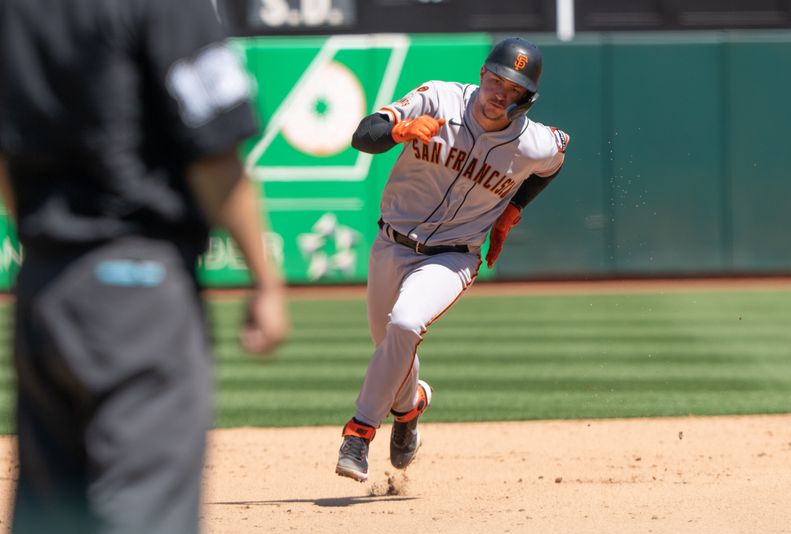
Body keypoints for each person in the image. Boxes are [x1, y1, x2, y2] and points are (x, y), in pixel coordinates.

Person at [0, 0, 289, 532]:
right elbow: (215, 152)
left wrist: (47, 251)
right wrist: (265, 281)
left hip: (43, 289)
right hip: (137, 289)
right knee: (144, 511)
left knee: (51, 514)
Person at [335, 37, 569, 482]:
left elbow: (556, 160)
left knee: (404, 325)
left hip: (454, 257)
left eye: (513, 88)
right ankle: (409, 408)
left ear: (526, 98)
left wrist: (509, 214)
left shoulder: (533, 142)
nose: (500, 93)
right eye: (496, 79)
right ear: (482, 73)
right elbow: (363, 135)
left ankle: (358, 433)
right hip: (391, 244)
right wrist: (396, 133)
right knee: (389, 343)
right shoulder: (438, 98)